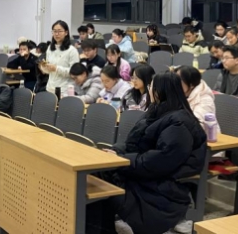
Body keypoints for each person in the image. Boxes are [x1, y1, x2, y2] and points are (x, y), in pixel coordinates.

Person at [85, 73, 207, 234]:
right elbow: (135, 143)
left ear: (159, 91)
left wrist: (123, 160)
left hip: (159, 183)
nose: (149, 89)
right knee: (96, 174)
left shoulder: (179, 123)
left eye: (151, 86)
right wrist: (117, 151)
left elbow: (161, 161)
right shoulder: (158, 111)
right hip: (144, 170)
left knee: (99, 182)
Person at [41, 20, 80, 95]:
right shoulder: (50, 48)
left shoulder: (72, 50)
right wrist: (44, 68)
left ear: (66, 32)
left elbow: (74, 72)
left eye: (59, 31)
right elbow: (49, 69)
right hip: (50, 87)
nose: (56, 34)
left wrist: (56, 68)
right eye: (54, 31)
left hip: (64, 90)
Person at [178, 66, 220, 134]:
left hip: (206, 136)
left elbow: (197, 126)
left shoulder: (205, 100)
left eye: (179, 80)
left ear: (191, 85)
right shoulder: (181, 95)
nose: (175, 83)